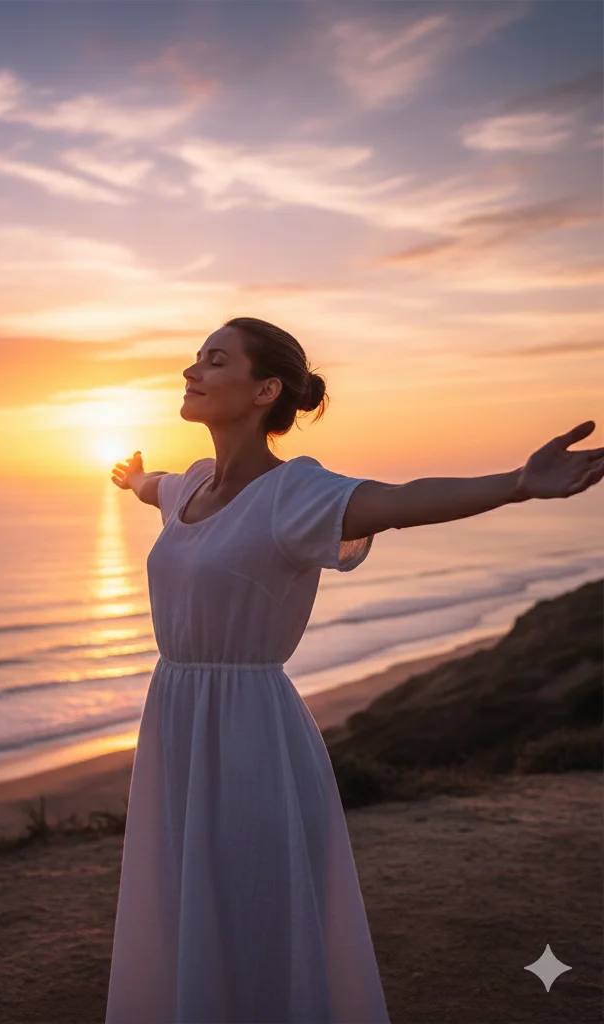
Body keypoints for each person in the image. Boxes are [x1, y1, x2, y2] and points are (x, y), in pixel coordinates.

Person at [104, 316, 603, 1024]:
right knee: (182, 900)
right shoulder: (190, 488)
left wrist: (518, 483)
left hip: (249, 733)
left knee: (251, 909)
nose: (192, 370)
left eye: (215, 360)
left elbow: (399, 501)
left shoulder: (293, 495)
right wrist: (133, 479)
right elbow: (154, 485)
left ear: (264, 390)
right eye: (196, 357)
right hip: (176, 721)